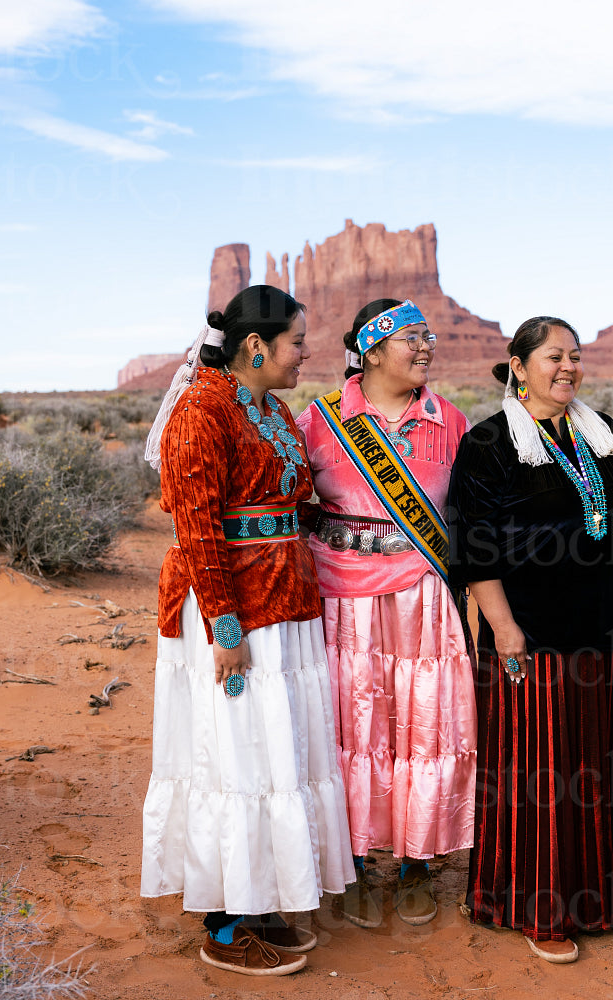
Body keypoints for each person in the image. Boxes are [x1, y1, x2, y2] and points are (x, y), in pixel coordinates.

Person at [139, 284, 355, 978]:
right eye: (297, 340)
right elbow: (197, 527)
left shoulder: (272, 407)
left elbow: (293, 505)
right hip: (232, 611)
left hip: (286, 600)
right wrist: (225, 630)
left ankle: (258, 900)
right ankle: (223, 926)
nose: (306, 351)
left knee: (270, 754)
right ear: (255, 347)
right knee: (230, 755)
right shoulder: (199, 412)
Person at [447, 316, 613, 964]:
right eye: (554, 356)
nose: (568, 367)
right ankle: (538, 907)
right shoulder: (488, 444)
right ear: (518, 365)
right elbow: (473, 551)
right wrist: (504, 631)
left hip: (602, 632)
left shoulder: (604, 434)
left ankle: (595, 898)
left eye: (575, 356)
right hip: (530, 637)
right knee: (538, 775)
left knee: (593, 771)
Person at [296, 299, 477, 928]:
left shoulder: (450, 421)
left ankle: (416, 860)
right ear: (372, 350)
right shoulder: (318, 421)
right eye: (412, 339)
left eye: (428, 338)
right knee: (350, 728)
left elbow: (472, 519)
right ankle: (349, 859)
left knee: (418, 727)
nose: (426, 348)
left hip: (420, 600)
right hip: (340, 603)